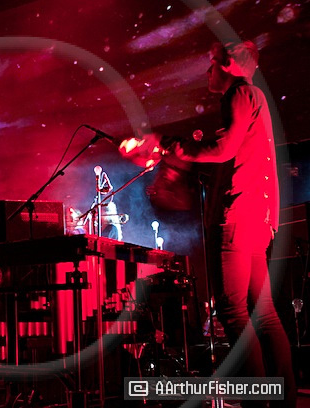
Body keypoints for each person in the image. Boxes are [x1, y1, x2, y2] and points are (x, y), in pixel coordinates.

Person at [173, 40, 295, 406]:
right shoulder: (255, 96)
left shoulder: (239, 94)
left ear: (226, 65)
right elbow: (239, 156)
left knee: (233, 310)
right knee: (264, 312)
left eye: (211, 65)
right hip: (256, 217)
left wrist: (181, 150)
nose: (207, 72)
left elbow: (224, 151)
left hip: (238, 217)